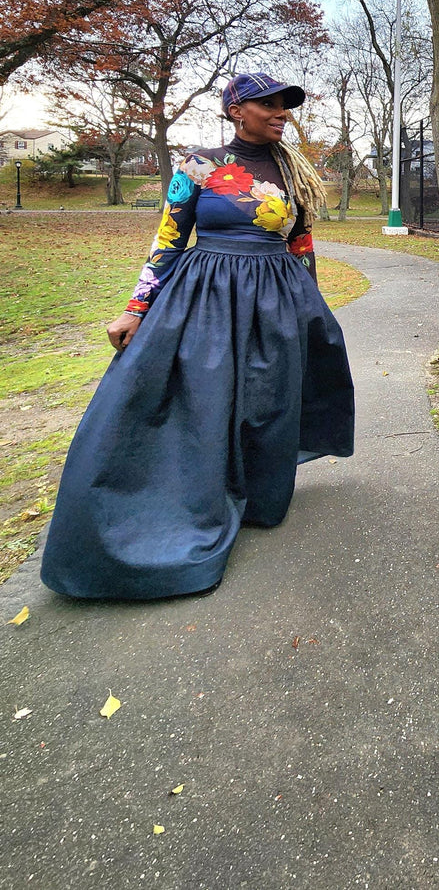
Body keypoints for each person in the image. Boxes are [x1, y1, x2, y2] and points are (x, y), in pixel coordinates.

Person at [41, 73, 355, 600]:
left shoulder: (290, 168)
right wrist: (135, 308)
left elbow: (300, 239)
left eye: (285, 105)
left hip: (276, 296)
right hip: (205, 296)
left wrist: (312, 306)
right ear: (236, 111)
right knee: (201, 399)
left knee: (270, 399)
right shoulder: (198, 164)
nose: (281, 112)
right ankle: (179, 502)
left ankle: (260, 499)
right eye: (268, 104)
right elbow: (168, 236)